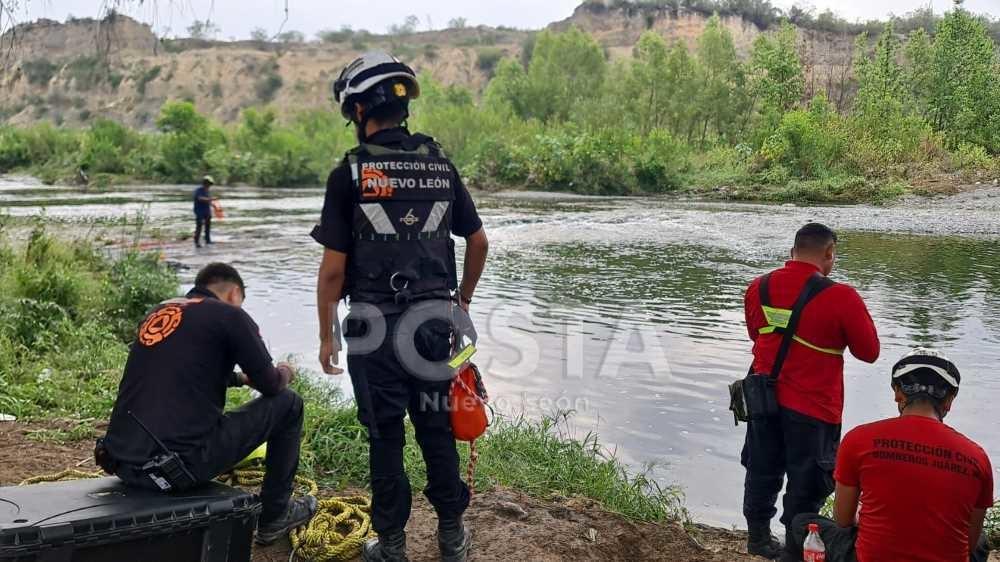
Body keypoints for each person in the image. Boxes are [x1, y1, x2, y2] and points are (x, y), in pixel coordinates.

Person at [312, 51, 489, 562]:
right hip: (434, 324)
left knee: (385, 437)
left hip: (372, 328)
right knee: (437, 427)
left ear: (360, 111)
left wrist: (326, 334)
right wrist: (461, 301)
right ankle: (451, 536)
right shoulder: (441, 166)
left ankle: (391, 544)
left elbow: (332, 272)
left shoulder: (349, 174)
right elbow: (478, 243)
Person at [97, 263, 317, 545]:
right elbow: (272, 384)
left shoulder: (162, 311)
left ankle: (271, 512)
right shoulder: (230, 315)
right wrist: (287, 370)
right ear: (235, 293)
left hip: (122, 463)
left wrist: (238, 379)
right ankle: (275, 515)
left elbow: (183, 371)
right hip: (174, 470)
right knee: (289, 403)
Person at [742, 222, 880, 558]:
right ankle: (795, 547)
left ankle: (758, 539)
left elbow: (755, 335)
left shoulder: (758, 287)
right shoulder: (841, 296)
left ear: (793, 252)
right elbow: (869, 351)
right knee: (808, 482)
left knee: (761, 469)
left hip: (763, 400)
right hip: (813, 407)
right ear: (829, 253)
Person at [785, 349, 994, 562]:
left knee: (801, 522)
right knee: (981, 542)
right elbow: (968, 540)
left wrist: (863, 515)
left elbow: (843, 520)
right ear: (949, 401)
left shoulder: (860, 439)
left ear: (898, 394)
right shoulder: (977, 457)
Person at [194, 175, 215, 248]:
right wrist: (210, 199)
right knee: (199, 226)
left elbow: (208, 200)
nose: (209, 185)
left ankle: (208, 240)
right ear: (205, 183)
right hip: (199, 211)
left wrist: (213, 205)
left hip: (207, 211)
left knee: (208, 226)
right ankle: (197, 242)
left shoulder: (207, 191)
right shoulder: (198, 190)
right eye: (208, 183)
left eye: (210, 184)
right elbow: (200, 198)